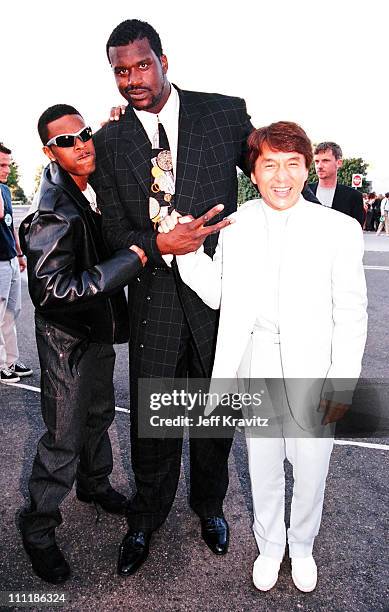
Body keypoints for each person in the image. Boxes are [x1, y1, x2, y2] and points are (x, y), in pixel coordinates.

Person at [167, 121, 367, 592]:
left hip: (314, 366)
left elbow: (352, 313)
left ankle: (302, 547)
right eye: (269, 165)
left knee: (312, 466)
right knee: (264, 464)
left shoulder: (339, 229)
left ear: (306, 168)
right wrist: (185, 252)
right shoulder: (238, 225)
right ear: (253, 173)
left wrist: (342, 382)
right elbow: (218, 293)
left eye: (293, 164)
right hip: (256, 360)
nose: (282, 176)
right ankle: (270, 545)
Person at [90, 18, 256, 576]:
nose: (133, 78)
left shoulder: (225, 112)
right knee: (153, 416)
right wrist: (160, 243)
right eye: (121, 70)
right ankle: (146, 517)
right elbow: (114, 230)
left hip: (218, 301)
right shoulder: (108, 142)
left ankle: (209, 506)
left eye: (142, 64)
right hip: (155, 300)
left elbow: (273, 175)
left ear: (164, 61)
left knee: (215, 414)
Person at [18, 104, 147, 585]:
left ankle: (95, 487)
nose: (82, 144)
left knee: (99, 416)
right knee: (63, 438)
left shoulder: (86, 183)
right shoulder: (53, 209)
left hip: (96, 329)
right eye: (68, 140)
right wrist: (131, 260)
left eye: (86, 133)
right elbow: (52, 291)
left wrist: (118, 125)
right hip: (65, 339)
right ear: (49, 150)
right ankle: (38, 529)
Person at [0, 142, 33, 383]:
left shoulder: (6, 191)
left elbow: (9, 224)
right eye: (1, 165)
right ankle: (1, 365)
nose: (6, 170)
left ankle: (11, 360)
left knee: (13, 312)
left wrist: (19, 254)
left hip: (10, 258)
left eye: (8, 165)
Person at [309, 142, 364, 226]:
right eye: (316, 161)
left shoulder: (353, 196)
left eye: (325, 161)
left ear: (339, 163)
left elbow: (356, 232)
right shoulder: (304, 192)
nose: (319, 166)